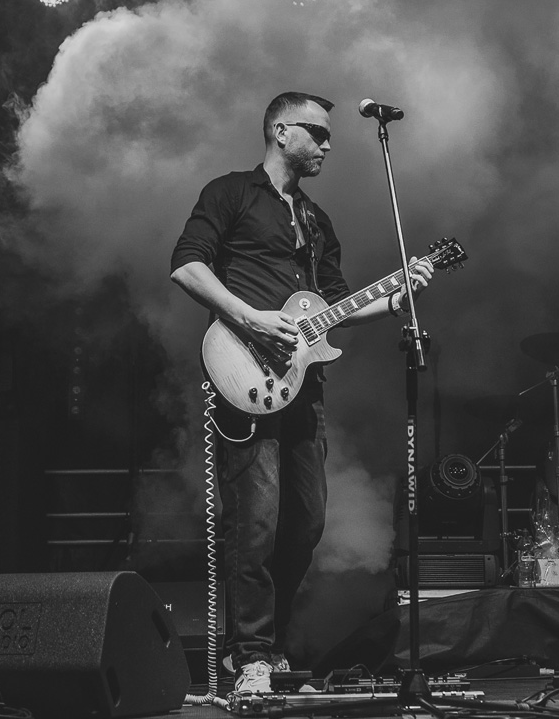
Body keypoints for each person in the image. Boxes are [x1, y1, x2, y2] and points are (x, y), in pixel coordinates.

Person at [170, 91, 433, 695]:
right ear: (281, 131)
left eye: (330, 135)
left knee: (307, 523)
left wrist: (398, 298)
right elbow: (186, 266)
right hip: (244, 372)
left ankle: (268, 642)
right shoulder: (230, 193)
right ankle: (251, 656)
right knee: (255, 521)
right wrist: (251, 317)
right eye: (318, 132)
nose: (328, 144)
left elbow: (337, 306)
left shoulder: (316, 219)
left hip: (302, 383)